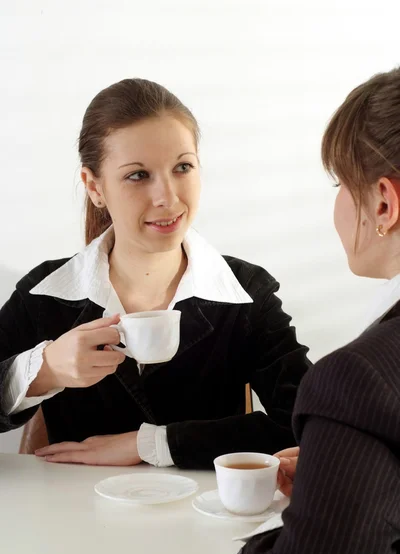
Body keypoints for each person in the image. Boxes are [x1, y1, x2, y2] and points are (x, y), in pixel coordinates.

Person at [0, 78, 310, 469]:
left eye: (182, 167)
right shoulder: (45, 295)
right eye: (138, 175)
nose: (168, 197)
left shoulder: (247, 294)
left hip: (204, 521)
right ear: (94, 187)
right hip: (73, 521)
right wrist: (43, 370)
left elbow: (310, 423)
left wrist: (152, 444)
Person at [234, 66, 400, 554]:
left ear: (382, 203)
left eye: (338, 185)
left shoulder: (357, 381)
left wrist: (257, 553)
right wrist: (349, 481)